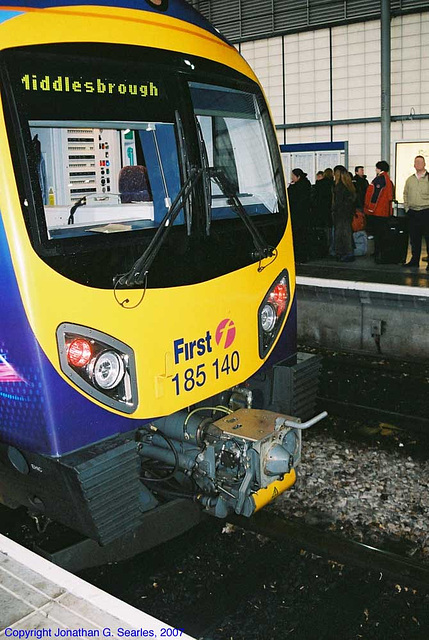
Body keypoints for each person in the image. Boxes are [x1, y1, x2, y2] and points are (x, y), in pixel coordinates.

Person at [364, 161, 394, 261]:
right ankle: (381, 252)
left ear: (379, 169)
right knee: (382, 233)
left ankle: (378, 253)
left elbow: (374, 195)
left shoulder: (379, 179)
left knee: (378, 233)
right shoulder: (387, 179)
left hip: (378, 211)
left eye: (376, 168)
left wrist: (369, 208)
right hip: (385, 210)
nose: (375, 170)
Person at [403, 155, 429, 269]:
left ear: (424, 164)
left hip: (426, 211)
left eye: (420, 162)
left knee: (428, 238)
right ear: (414, 165)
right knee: (414, 238)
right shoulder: (410, 179)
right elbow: (405, 194)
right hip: (413, 213)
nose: (418, 164)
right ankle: (414, 260)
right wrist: (407, 208)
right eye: (416, 162)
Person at [332, 165, 356, 262]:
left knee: (341, 234)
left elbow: (337, 202)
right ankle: (349, 253)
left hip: (340, 213)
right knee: (347, 233)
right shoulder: (349, 186)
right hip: (347, 213)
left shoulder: (339, 187)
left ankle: (343, 253)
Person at [288, 168, 312, 263]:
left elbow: (290, 197)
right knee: (304, 236)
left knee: (298, 237)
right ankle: (304, 256)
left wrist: (291, 186)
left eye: (293, 176)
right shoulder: (306, 184)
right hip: (305, 214)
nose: (291, 178)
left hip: (297, 214)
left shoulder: (296, 187)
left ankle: (299, 256)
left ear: (298, 176)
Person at [310, 168, 334, 256]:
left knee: (321, 230)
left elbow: (314, 200)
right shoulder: (332, 184)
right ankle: (330, 247)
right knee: (329, 229)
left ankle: (323, 248)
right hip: (329, 211)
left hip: (319, 212)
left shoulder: (318, 186)